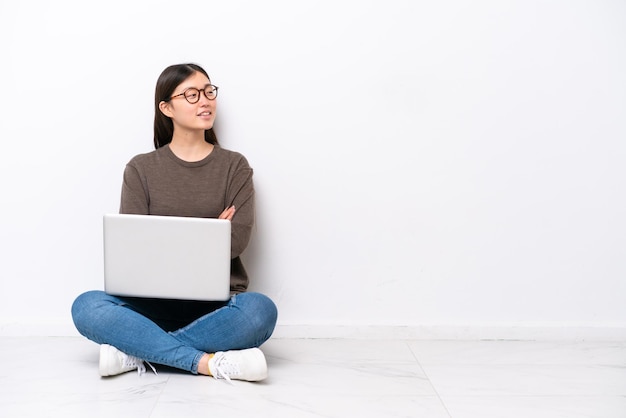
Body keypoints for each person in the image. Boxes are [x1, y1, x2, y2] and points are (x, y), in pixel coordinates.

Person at [71, 63, 278, 382]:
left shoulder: (234, 167)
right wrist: (212, 232)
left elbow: (235, 243)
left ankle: (136, 351)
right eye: (192, 94)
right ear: (166, 107)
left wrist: (183, 240)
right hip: (149, 306)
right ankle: (206, 362)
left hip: (216, 307)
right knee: (86, 306)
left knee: (261, 311)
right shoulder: (141, 169)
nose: (205, 101)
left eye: (209, 91)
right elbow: (133, 246)